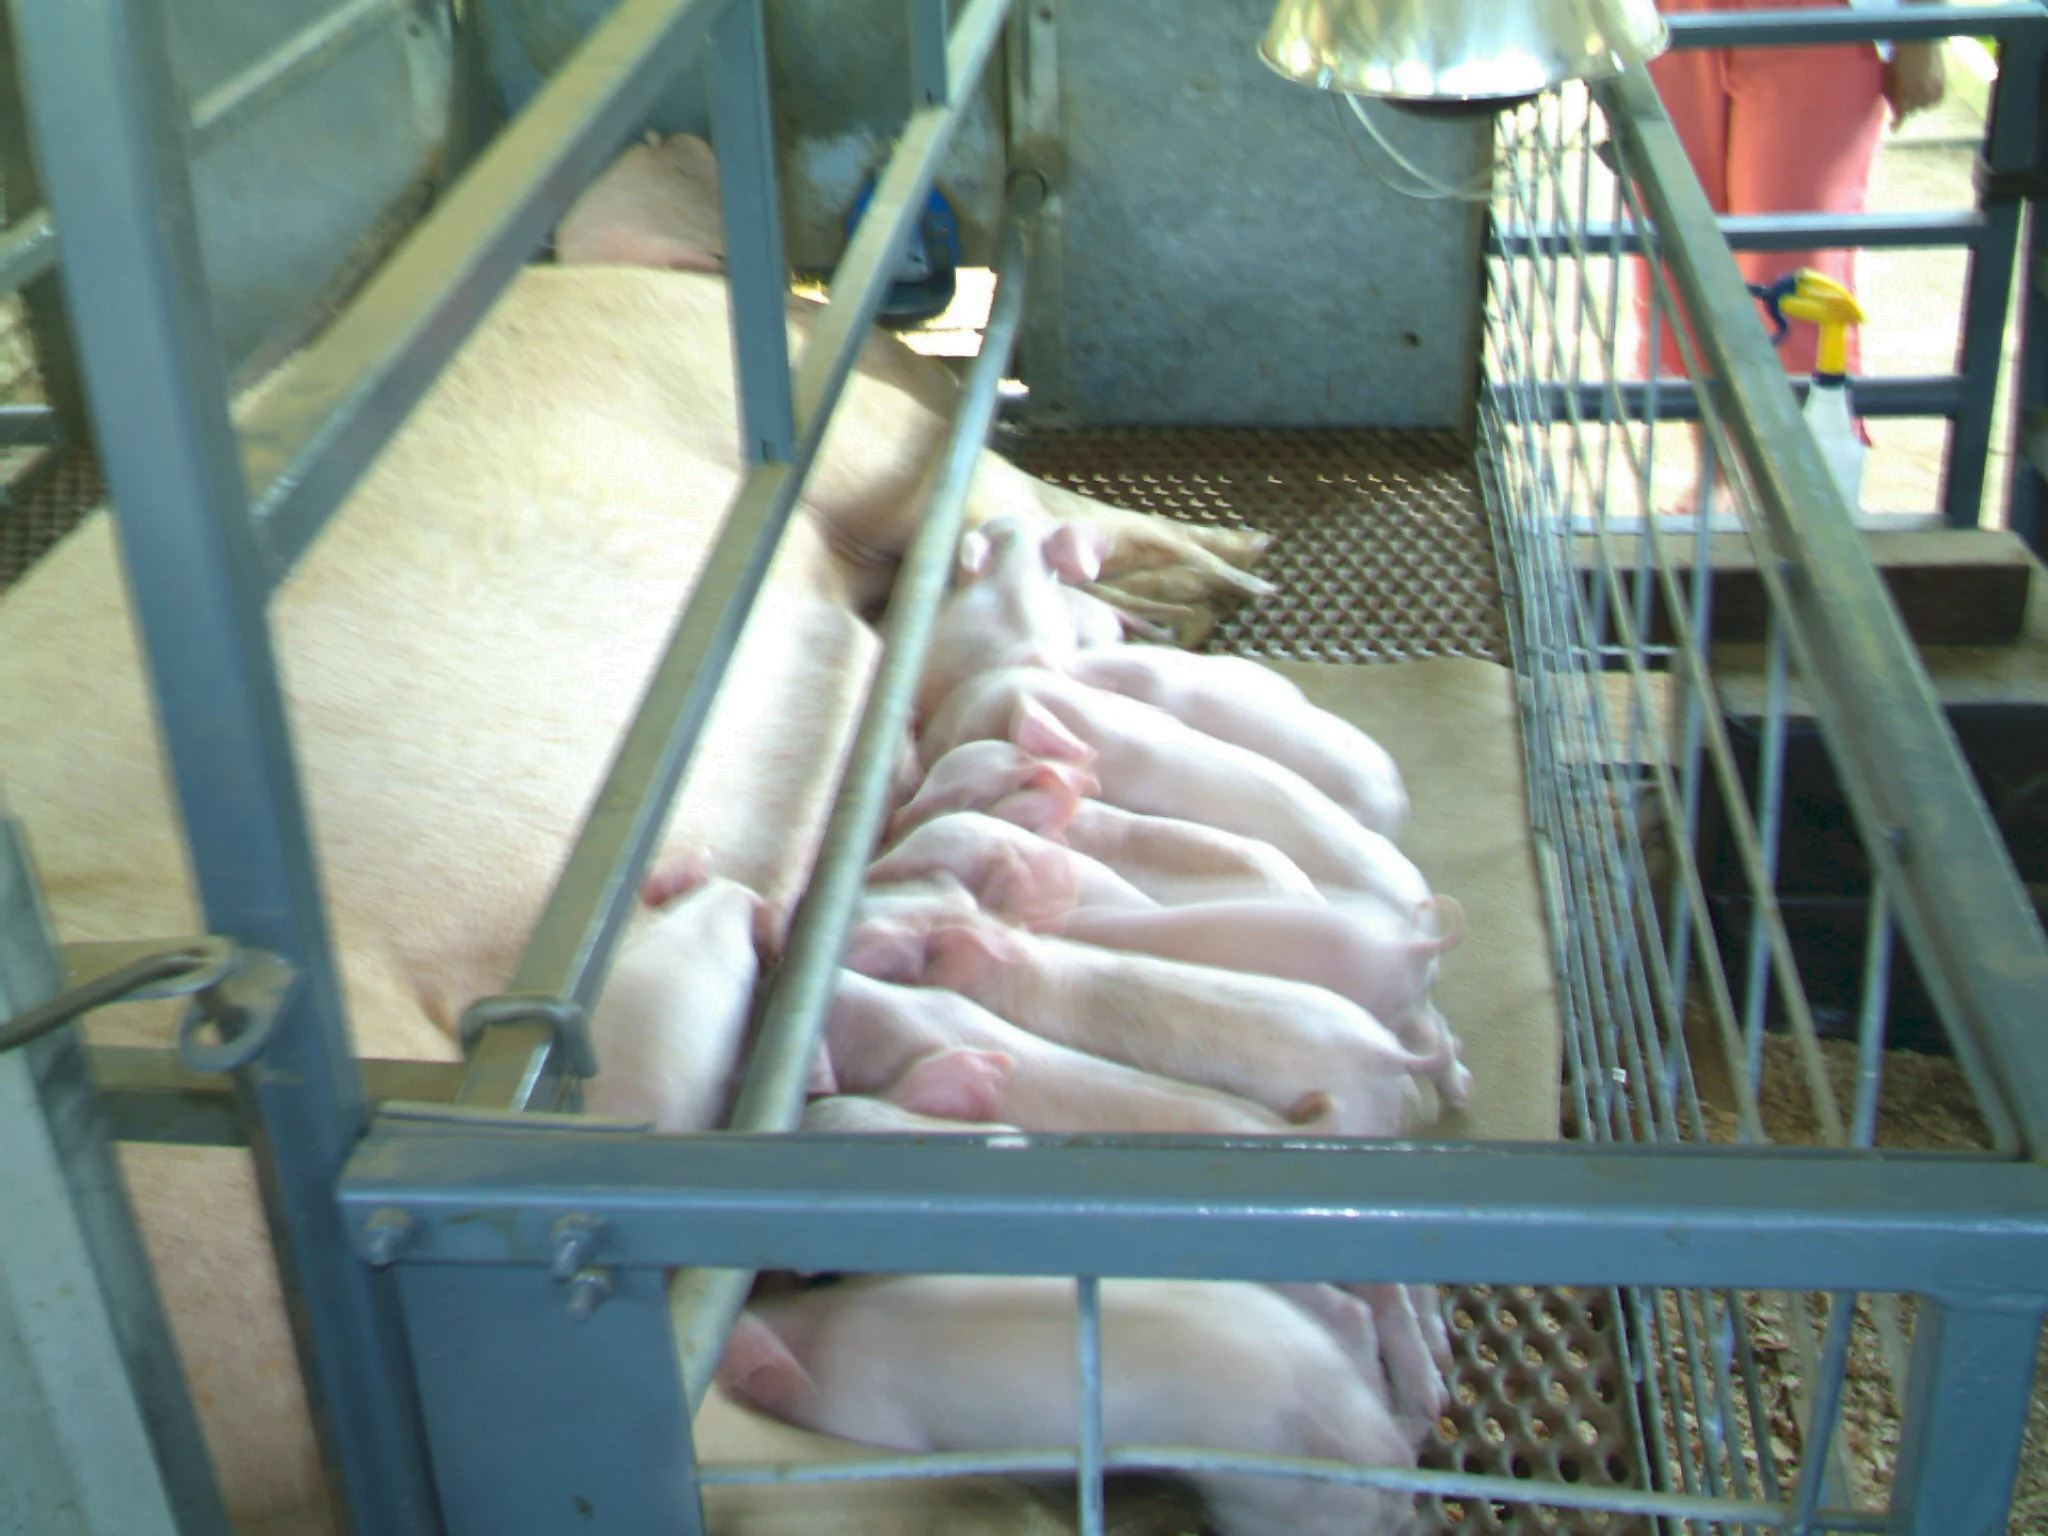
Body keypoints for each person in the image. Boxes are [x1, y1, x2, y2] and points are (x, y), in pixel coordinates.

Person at [1640, 0, 1948, 382]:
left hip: (1820, 16)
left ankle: (1811, 435)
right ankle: (1719, 441)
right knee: (1684, 259)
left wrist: (1924, 26)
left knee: (1788, 271)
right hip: (1665, 15)